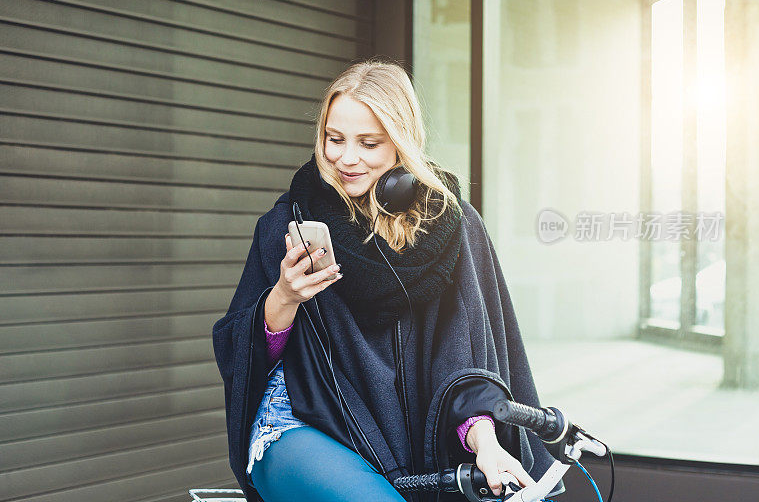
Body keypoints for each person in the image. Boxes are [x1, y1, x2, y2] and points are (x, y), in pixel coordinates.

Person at [212, 59, 563, 502]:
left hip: (399, 440)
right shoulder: (288, 219)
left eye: (369, 143)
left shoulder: (450, 227)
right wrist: (284, 297)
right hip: (298, 422)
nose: (346, 158)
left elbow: (464, 359)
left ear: (401, 144)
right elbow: (237, 352)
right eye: (334, 139)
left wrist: (486, 443)